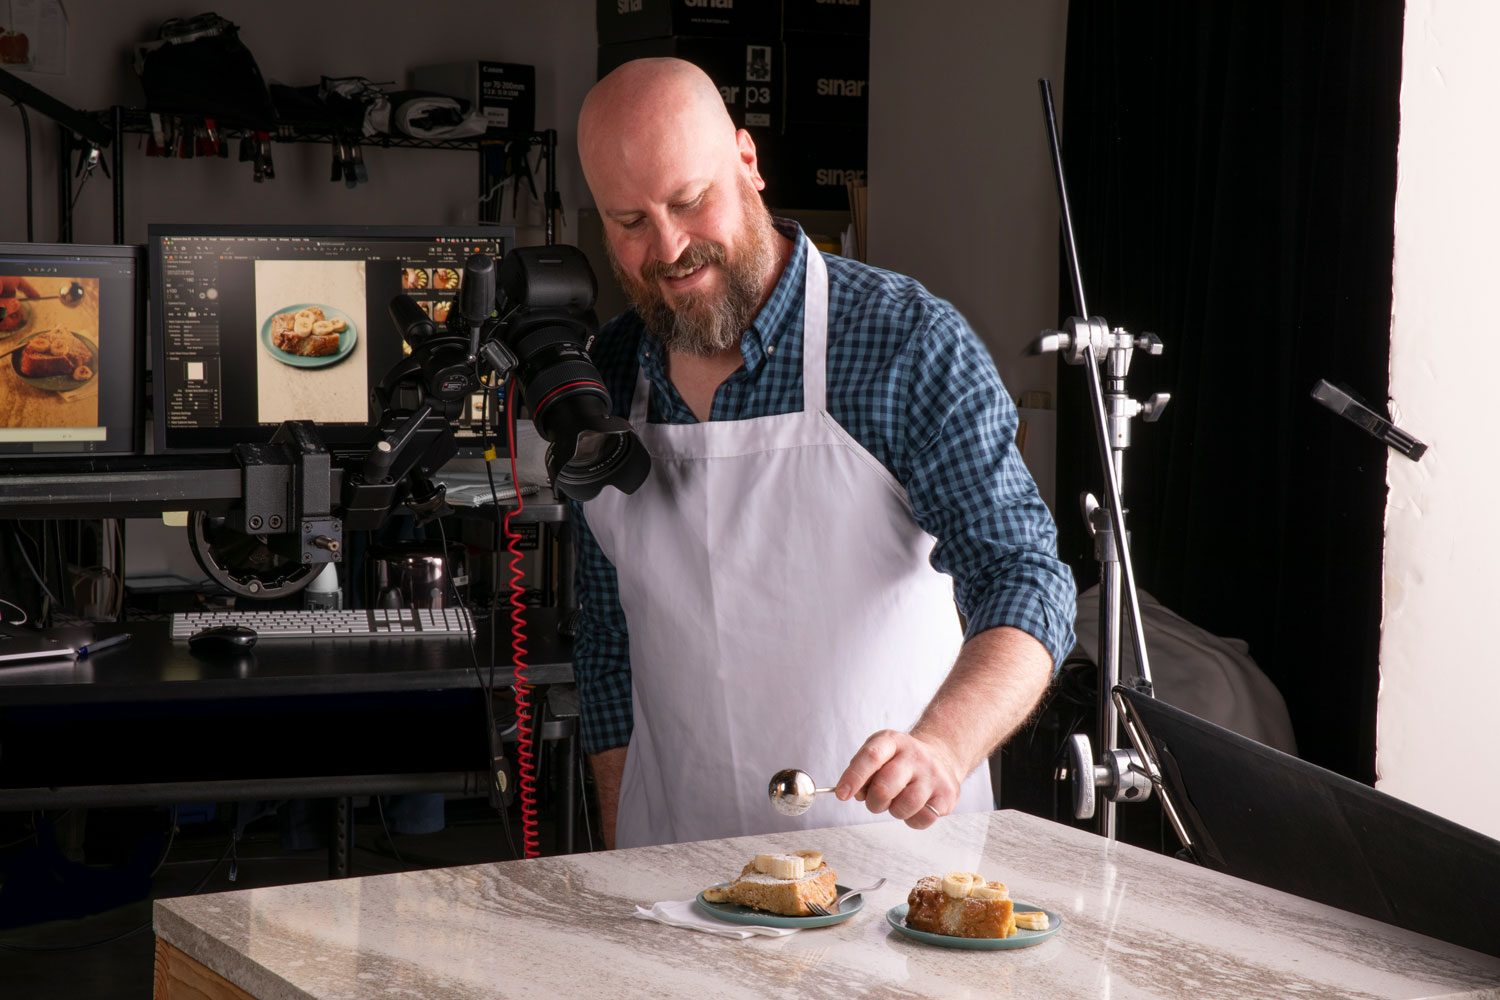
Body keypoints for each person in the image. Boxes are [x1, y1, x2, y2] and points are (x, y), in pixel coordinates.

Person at [572, 58, 1076, 849]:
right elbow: (607, 643)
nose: (668, 248)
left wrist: (943, 746)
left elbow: (1025, 575)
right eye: (629, 222)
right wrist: (613, 861)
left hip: (892, 870)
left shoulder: (906, 344)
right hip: (672, 879)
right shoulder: (598, 380)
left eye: (688, 201)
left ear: (747, 162)